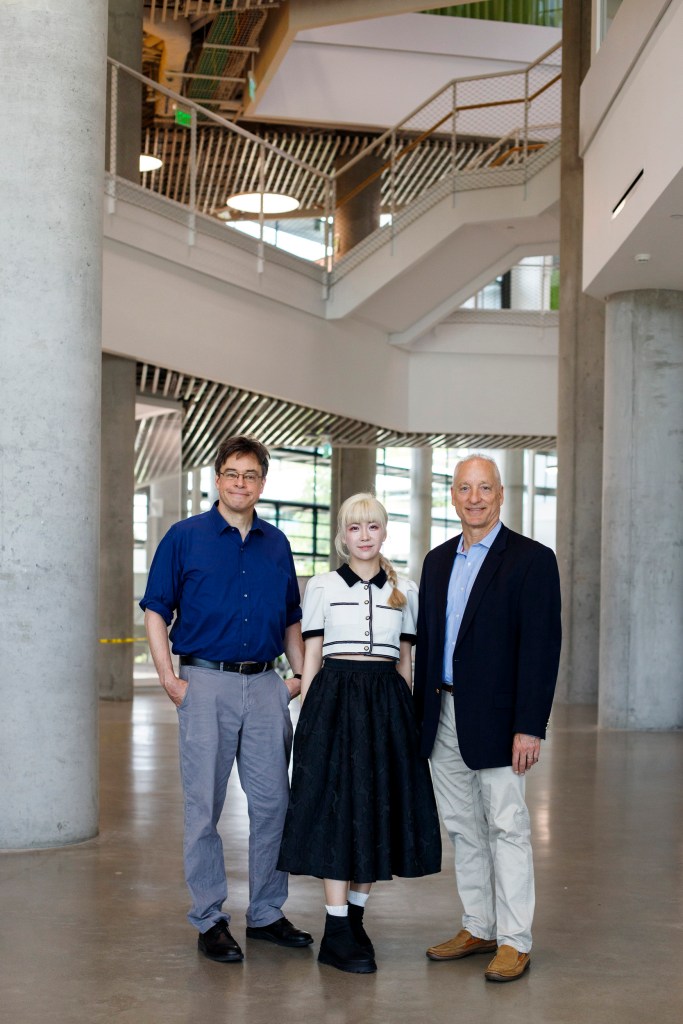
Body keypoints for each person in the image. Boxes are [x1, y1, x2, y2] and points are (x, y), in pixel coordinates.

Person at [140, 435, 313, 964]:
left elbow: (290, 618)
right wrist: (170, 678)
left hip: (265, 685)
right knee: (203, 809)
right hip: (205, 682)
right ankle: (210, 917)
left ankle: (265, 913)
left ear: (262, 483)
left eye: (251, 475)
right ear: (218, 479)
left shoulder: (277, 543)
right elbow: (155, 610)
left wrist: (302, 675)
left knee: (272, 805)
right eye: (232, 474)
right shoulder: (184, 537)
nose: (241, 484)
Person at [278, 493, 442, 975]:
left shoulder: (404, 589)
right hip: (334, 698)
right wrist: (308, 717)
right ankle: (335, 929)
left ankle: (354, 921)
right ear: (343, 536)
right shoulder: (323, 587)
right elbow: (311, 656)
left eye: (372, 527)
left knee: (375, 810)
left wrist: (409, 719)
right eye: (355, 528)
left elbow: (406, 664)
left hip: (386, 703)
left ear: (384, 532)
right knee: (336, 810)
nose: (364, 535)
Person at [414, 454, 561, 983]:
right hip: (443, 712)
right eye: (463, 488)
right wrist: (419, 718)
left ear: (500, 495)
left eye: (484, 488)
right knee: (463, 828)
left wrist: (530, 725)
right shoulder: (435, 562)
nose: (473, 497)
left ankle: (514, 939)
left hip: (501, 721)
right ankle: (478, 925)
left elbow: (541, 650)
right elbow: (429, 646)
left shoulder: (531, 560)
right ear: (452, 496)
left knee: (507, 827)